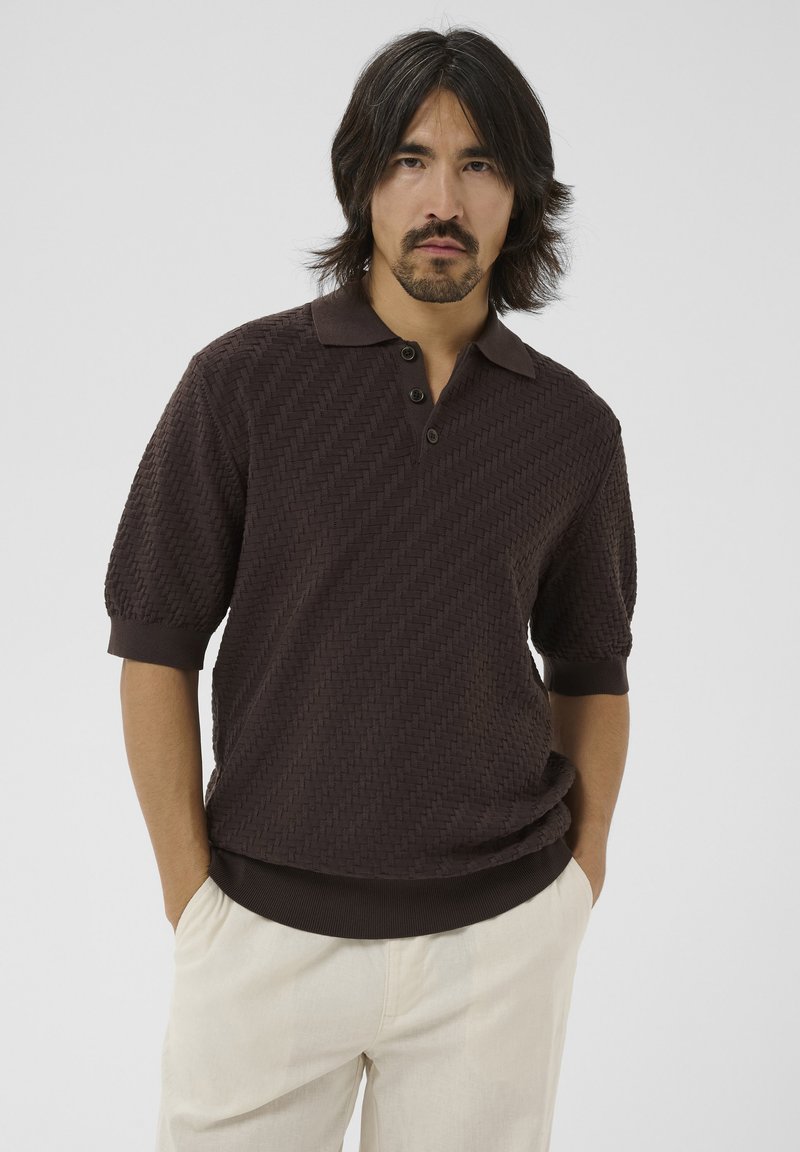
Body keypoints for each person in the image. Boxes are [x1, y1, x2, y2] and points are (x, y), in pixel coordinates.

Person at [104, 25, 637, 1152]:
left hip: (498, 944)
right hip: (262, 935)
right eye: (409, 160)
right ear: (363, 183)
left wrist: (577, 882)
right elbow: (154, 643)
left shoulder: (572, 429)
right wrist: (190, 897)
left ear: (519, 195)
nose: (442, 199)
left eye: (478, 164)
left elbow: (590, 668)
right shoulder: (239, 385)